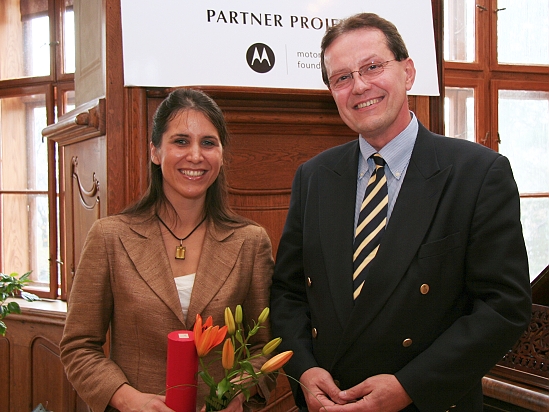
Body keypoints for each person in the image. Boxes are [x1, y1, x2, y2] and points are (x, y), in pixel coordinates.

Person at [270, 12, 532, 412]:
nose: (360, 86)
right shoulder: (314, 176)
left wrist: (411, 386)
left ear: (408, 72)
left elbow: (504, 306)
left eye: (373, 67)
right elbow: (288, 293)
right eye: (342, 78)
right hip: (332, 402)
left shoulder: (478, 173)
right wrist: (303, 368)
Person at [60, 88, 275, 412]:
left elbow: (264, 347)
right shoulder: (110, 237)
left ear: (221, 154)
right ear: (155, 152)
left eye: (208, 143)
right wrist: (128, 400)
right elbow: (78, 346)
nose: (196, 155)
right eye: (181, 141)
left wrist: (238, 394)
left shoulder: (250, 242)